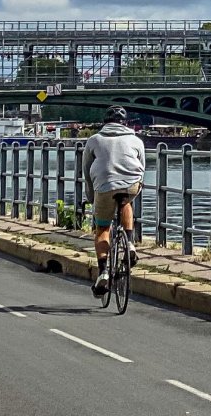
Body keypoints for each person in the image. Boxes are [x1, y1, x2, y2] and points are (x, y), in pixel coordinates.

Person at [82, 106, 145, 297]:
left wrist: (92, 197)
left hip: (104, 185)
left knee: (102, 229)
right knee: (125, 202)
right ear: (125, 123)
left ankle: (103, 273)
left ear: (105, 122)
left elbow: (86, 171)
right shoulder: (136, 139)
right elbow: (142, 165)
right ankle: (131, 242)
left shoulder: (94, 140)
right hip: (131, 184)